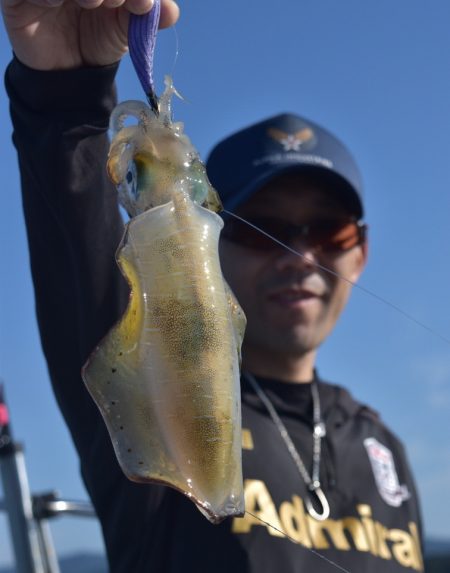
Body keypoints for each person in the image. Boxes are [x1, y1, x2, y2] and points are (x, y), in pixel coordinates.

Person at [3, 0, 424, 571]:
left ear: (362, 251)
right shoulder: (157, 390)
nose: (300, 255)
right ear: (219, 241)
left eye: (329, 231)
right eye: (266, 231)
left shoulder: (386, 451)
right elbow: (82, 278)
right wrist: (65, 93)